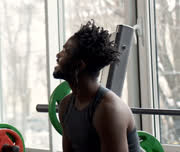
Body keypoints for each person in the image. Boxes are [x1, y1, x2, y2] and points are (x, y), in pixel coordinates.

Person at [54, 20, 140, 152]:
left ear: (80, 65)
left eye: (66, 51)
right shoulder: (65, 105)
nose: (58, 55)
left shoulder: (109, 110)